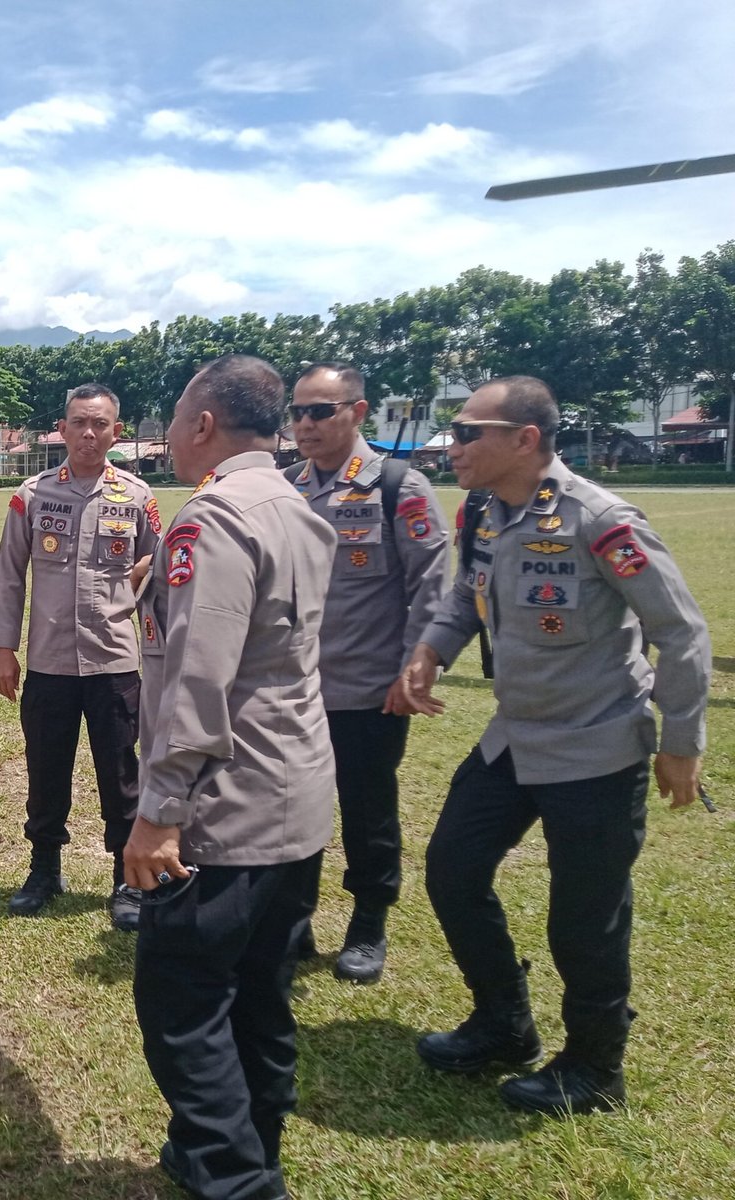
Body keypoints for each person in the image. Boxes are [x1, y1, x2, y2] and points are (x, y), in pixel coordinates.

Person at [397, 376, 710, 1117]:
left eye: (467, 432)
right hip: (516, 737)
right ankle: (504, 1023)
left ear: (524, 440)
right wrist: (431, 651)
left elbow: (680, 632)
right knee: (452, 870)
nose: (453, 446)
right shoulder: (485, 511)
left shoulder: (599, 519)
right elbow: (465, 595)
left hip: (597, 744)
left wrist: (681, 742)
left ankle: (596, 1068)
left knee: (585, 916)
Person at [123, 356, 336, 1200]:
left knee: (181, 1005)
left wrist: (160, 810)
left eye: (176, 419)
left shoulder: (212, 517)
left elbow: (197, 677)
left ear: (204, 424)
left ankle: (238, 1180)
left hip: (226, 808)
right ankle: (254, 1148)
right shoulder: (295, 503)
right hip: (296, 797)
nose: (171, 436)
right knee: (260, 995)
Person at [282, 362, 449, 983]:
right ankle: (294, 918)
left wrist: (417, 665)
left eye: (320, 411)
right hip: (294, 687)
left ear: (357, 411)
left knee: (366, 808)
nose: (305, 424)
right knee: (294, 805)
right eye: (298, 412)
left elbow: (432, 586)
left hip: (367, 689)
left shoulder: (399, 487)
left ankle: (368, 920)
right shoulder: (287, 487)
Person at [0, 383, 162, 930]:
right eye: (79, 423)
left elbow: (159, 575)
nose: (89, 433)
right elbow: (10, 575)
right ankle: (44, 870)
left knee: (121, 772)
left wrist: (151, 641)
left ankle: (126, 879)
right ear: (61, 429)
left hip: (114, 662)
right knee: (46, 769)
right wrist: (4, 651)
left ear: (117, 431)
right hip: (49, 662)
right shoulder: (33, 494)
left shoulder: (137, 497)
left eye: (100, 424)